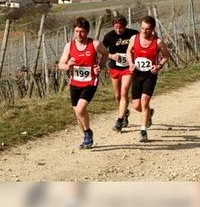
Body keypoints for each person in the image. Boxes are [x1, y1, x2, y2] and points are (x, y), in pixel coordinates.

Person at [58, 17, 109, 149]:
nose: (79, 34)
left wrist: (100, 66)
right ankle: (87, 137)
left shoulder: (95, 44)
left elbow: (105, 54)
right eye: (76, 31)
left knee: (81, 109)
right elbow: (61, 65)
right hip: (75, 83)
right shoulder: (69, 46)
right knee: (78, 114)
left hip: (90, 82)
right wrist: (68, 65)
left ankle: (88, 133)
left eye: (82, 32)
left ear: (87, 32)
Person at [126, 15, 170, 143]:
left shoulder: (158, 42)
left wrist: (159, 66)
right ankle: (149, 113)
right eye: (142, 28)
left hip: (150, 74)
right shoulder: (134, 38)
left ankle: (143, 131)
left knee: (144, 101)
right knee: (136, 106)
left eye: (147, 29)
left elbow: (166, 56)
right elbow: (129, 51)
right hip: (137, 74)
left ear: (152, 29)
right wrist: (130, 63)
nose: (144, 31)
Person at [102, 16, 139, 132]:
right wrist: (111, 56)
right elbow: (102, 51)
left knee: (124, 92)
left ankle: (120, 120)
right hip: (115, 68)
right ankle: (125, 113)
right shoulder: (109, 36)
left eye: (121, 28)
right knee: (118, 96)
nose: (118, 30)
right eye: (116, 27)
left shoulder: (133, 34)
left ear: (125, 26)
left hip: (129, 67)